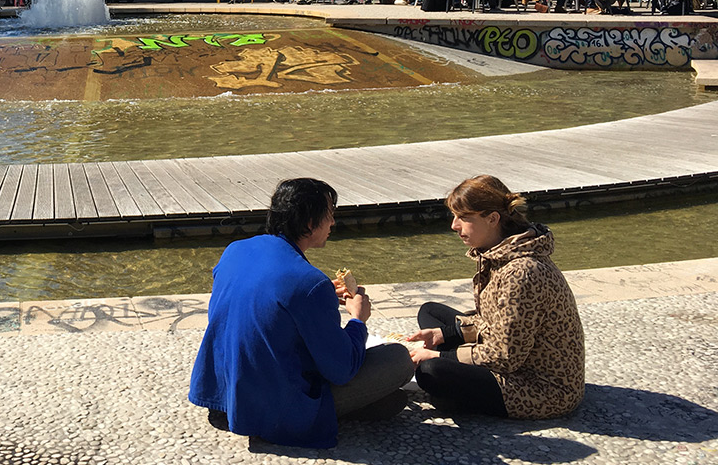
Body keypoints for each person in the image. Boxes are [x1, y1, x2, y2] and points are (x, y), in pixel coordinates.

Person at [189, 178, 413, 448]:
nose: (333, 224)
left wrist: (321, 295)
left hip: (223, 395)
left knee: (390, 399)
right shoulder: (309, 282)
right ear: (309, 223)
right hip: (273, 409)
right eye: (329, 216)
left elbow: (267, 304)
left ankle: (371, 404)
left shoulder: (236, 250)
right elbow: (341, 369)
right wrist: (358, 320)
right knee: (398, 358)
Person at [407, 175, 584, 419]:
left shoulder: (522, 272)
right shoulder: (501, 252)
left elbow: (505, 357)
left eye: (464, 218)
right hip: (514, 358)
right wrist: (444, 334)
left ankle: (455, 392)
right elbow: (490, 322)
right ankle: (456, 383)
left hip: (540, 389)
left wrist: (440, 356)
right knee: (430, 312)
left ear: (492, 219)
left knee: (430, 371)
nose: (454, 226)